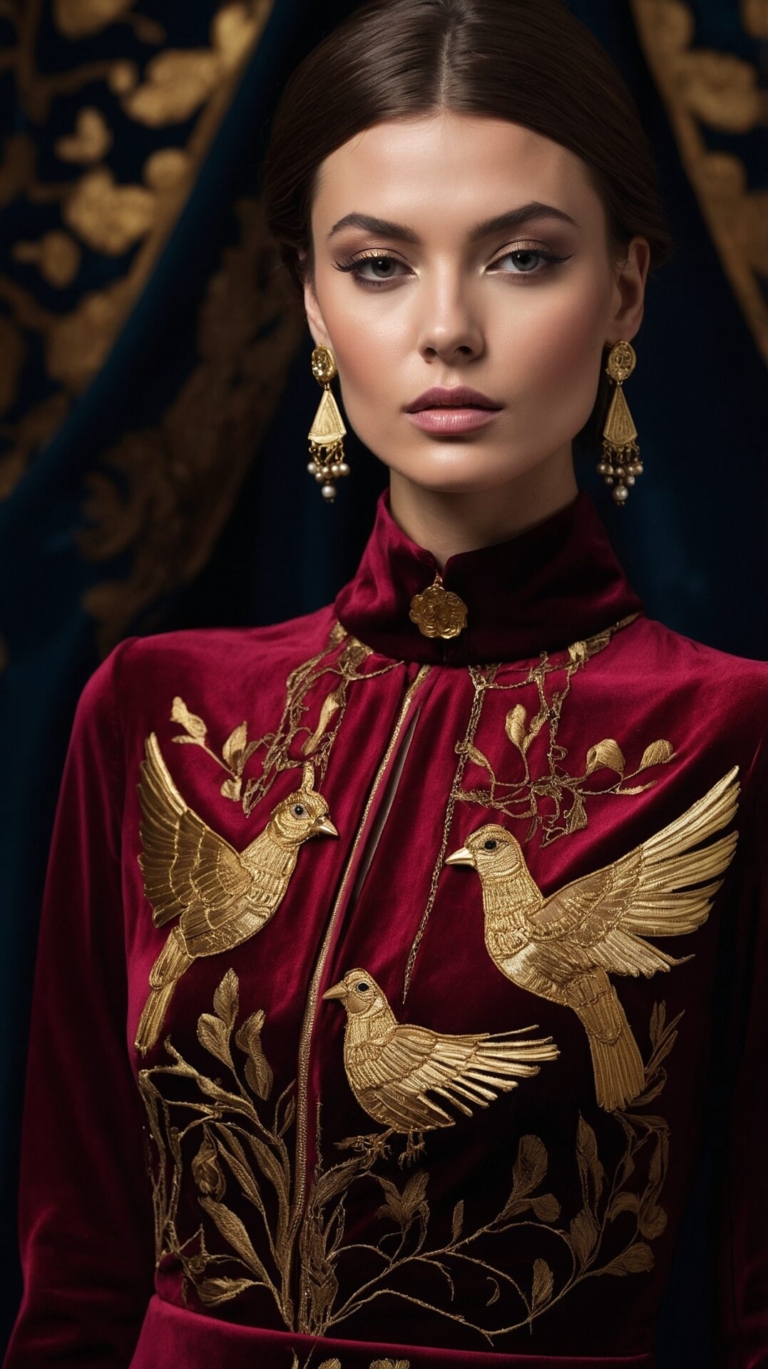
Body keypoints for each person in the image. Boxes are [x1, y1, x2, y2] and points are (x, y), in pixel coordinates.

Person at [5, 1, 767, 1365]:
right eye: (378, 265)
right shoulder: (159, 714)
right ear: (309, 297)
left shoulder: (725, 734)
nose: (448, 329)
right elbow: (80, 1254)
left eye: (523, 259)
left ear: (628, 294)